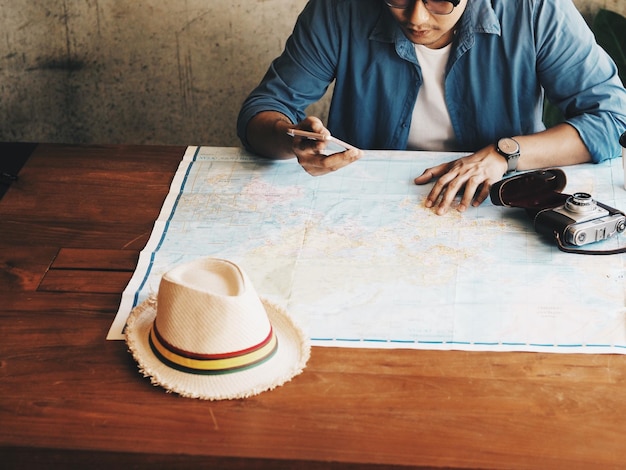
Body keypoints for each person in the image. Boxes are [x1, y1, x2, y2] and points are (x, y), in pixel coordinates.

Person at [237, 0, 626, 215]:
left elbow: (612, 118)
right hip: (365, 205)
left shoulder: (536, 9)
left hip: (496, 202)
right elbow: (264, 110)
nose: (417, 18)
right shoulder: (338, 10)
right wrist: (292, 141)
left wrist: (504, 153)